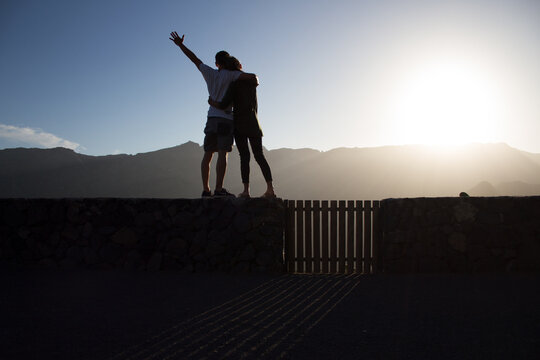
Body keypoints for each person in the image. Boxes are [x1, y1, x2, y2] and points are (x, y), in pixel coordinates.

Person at [169, 32, 258, 197]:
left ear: (217, 63)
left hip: (211, 118)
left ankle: (206, 189)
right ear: (228, 61)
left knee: (208, 154)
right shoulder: (233, 75)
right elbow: (252, 77)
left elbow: (194, 59)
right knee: (223, 153)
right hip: (226, 118)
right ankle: (218, 189)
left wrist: (180, 45)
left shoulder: (209, 73)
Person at [208, 57, 276, 198]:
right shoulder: (251, 82)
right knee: (259, 156)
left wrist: (211, 102)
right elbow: (256, 78)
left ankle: (246, 191)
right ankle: (270, 189)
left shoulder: (233, 85)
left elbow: (223, 104)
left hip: (239, 124)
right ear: (239, 66)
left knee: (244, 157)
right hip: (253, 123)